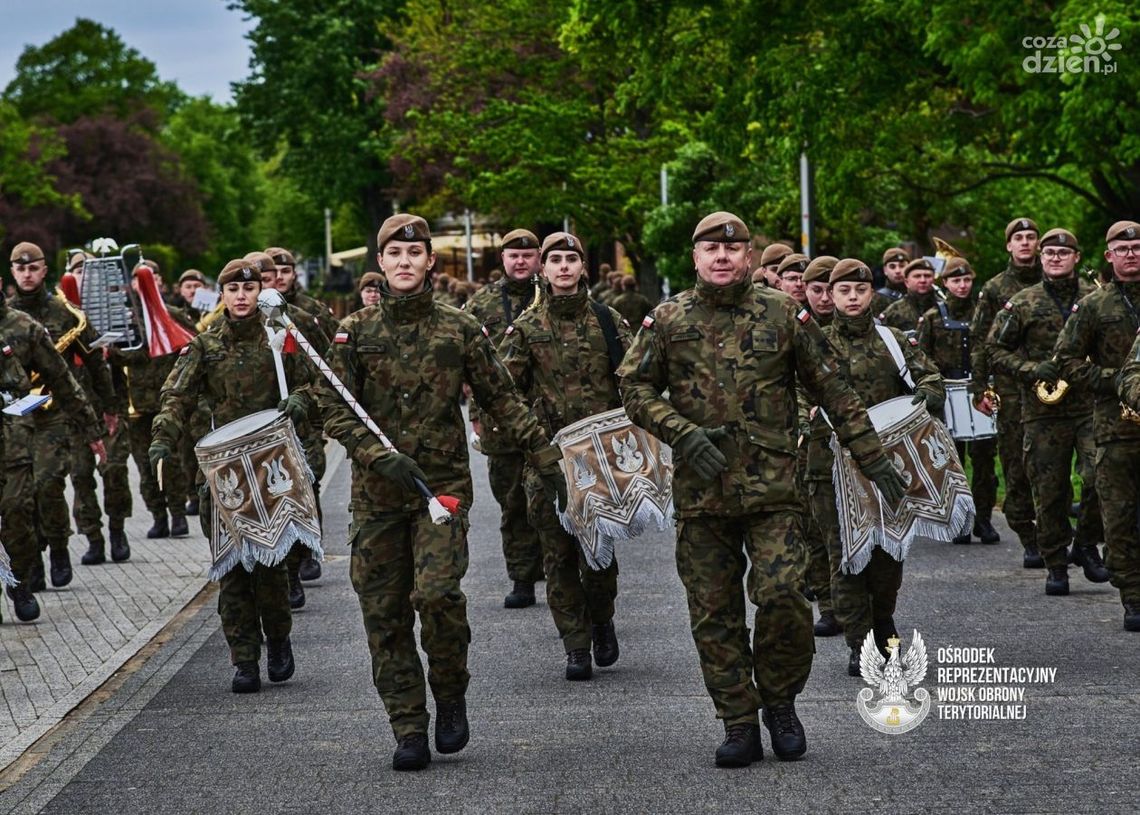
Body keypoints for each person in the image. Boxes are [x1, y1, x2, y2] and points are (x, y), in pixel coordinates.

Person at [619, 212, 905, 768]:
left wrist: (871, 457)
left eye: (733, 249)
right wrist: (682, 431)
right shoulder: (668, 318)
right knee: (713, 612)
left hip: (775, 490)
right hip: (703, 495)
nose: (722, 257)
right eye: (711, 249)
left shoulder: (783, 314)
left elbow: (832, 387)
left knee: (782, 599)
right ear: (695, 257)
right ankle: (738, 720)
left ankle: (779, 702)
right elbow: (633, 387)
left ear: (748, 256)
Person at [320, 214, 566, 771]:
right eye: (394, 254)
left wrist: (543, 455)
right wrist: (375, 453)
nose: (404, 263)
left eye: (415, 254)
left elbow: (502, 397)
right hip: (378, 496)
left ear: (430, 261)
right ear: (380, 263)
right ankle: (408, 725)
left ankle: (450, 690)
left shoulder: (458, 328)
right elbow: (332, 405)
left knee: (436, 597)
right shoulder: (354, 331)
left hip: (442, 492)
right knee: (383, 614)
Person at [150, 258, 312, 692]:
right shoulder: (205, 345)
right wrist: (162, 437)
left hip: (272, 464)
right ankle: (244, 660)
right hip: (225, 472)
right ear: (221, 295)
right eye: (233, 289)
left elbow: (315, 380)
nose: (241, 296)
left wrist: (299, 400)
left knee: (271, 566)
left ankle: (278, 640)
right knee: (233, 570)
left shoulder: (279, 335)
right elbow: (176, 394)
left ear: (260, 290)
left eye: (249, 288)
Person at [499, 231, 628, 680]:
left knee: (599, 555)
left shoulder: (608, 321)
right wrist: (529, 440)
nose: (564, 267)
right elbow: (502, 392)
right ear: (543, 268)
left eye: (571, 258)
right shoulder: (527, 328)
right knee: (557, 555)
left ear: (582, 267)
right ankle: (575, 645)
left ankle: (602, 618)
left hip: (601, 459)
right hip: (549, 460)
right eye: (555, 259)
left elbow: (635, 378)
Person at [823, 259, 944, 675]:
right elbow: (799, 396)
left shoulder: (893, 341)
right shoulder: (815, 344)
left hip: (890, 465)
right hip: (832, 467)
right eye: (844, 291)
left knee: (889, 551)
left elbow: (929, 378)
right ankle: (860, 643)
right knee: (846, 555)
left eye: (860, 290)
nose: (853, 298)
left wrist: (927, 397)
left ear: (871, 293)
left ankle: (884, 620)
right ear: (831, 295)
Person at [988, 228, 1106, 594]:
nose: (1056, 258)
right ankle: (1056, 564)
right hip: (1041, 410)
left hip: (1089, 405)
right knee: (1050, 490)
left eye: (1063, 252)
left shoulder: (1096, 298)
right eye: (1049, 253)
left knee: (1098, 476)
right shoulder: (1023, 302)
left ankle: (1086, 543)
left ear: (1077, 257)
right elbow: (994, 348)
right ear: (1041, 258)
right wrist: (1029, 371)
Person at [9, 241, 115, 590]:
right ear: (12, 271)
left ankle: (58, 547)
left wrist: (101, 417)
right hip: (15, 420)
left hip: (55, 414)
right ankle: (32, 560)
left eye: (33, 267)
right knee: (23, 497)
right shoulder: (6, 317)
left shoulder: (65, 313)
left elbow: (93, 364)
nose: (27, 273)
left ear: (43, 270)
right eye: (20, 268)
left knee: (48, 483)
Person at [0, 282, 103, 621]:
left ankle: (20, 579)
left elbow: (61, 378)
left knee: (18, 510)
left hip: (15, 433)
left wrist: (91, 428)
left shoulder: (24, 327)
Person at [1056, 220, 1140, 631]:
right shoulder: (1094, 305)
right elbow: (1065, 361)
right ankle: (1133, 597)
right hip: (1114, 426)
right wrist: (1114, 382)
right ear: (1109, 256)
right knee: (1119, 516)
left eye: (1138, 248)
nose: (1131, 254)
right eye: (1122, 250)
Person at [462, 229, 545, 608]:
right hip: (503, 419)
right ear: (503, 259)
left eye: (528, 255)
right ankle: (522, 576)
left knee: (556, 496)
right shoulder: (481, 304)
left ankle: (553, 563)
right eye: (513, 255)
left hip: (549, 417)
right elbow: (468, 366)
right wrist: (477, 414)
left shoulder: (554, 297)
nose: (520, 261)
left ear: (539, 258)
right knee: (512, 502)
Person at [915, 256, 1000, 545]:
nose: (962, 285)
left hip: (978, 392)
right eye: (956, 280)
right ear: (945, 283)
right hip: (947, 393)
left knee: (985, 460)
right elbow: (920, 358)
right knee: (953, 463)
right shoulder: (931, 317)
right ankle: (960, 520)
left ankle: (984, 519)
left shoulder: (985, 314)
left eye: (966, 280)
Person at [972, 218, 1043, 566]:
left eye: (1032, 237)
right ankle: (1028, 535)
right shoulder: (996, 288)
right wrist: (979, 386)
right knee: (1016, 464)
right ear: (1009, 246)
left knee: (1051, 466)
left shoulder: (1055, 281)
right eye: (1019, 238)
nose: (1026, 242)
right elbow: (981, 341)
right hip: (1012, 390)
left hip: (1056, 388)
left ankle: (1054, 534)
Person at [798, 256, 842, 637]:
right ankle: (829, 606)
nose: (826, 298)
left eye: (833, 289)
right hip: (806, 443)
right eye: (817, 290)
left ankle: (855, 605)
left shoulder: (864, 331)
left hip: (851, 442)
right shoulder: (797, 329)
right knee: (816, 531)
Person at [878, 257, 938, 337]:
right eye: (917, 276)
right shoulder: (893, 311)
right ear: (906, 282)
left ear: (933, 280)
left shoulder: (943, 308)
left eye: (927, 276)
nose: (923, 280)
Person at [871, 247, 910, 315]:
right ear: (885, 270)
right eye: (892, 267)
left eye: (902, 266)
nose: (897, 271)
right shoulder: (876, 299)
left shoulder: (919, 293)